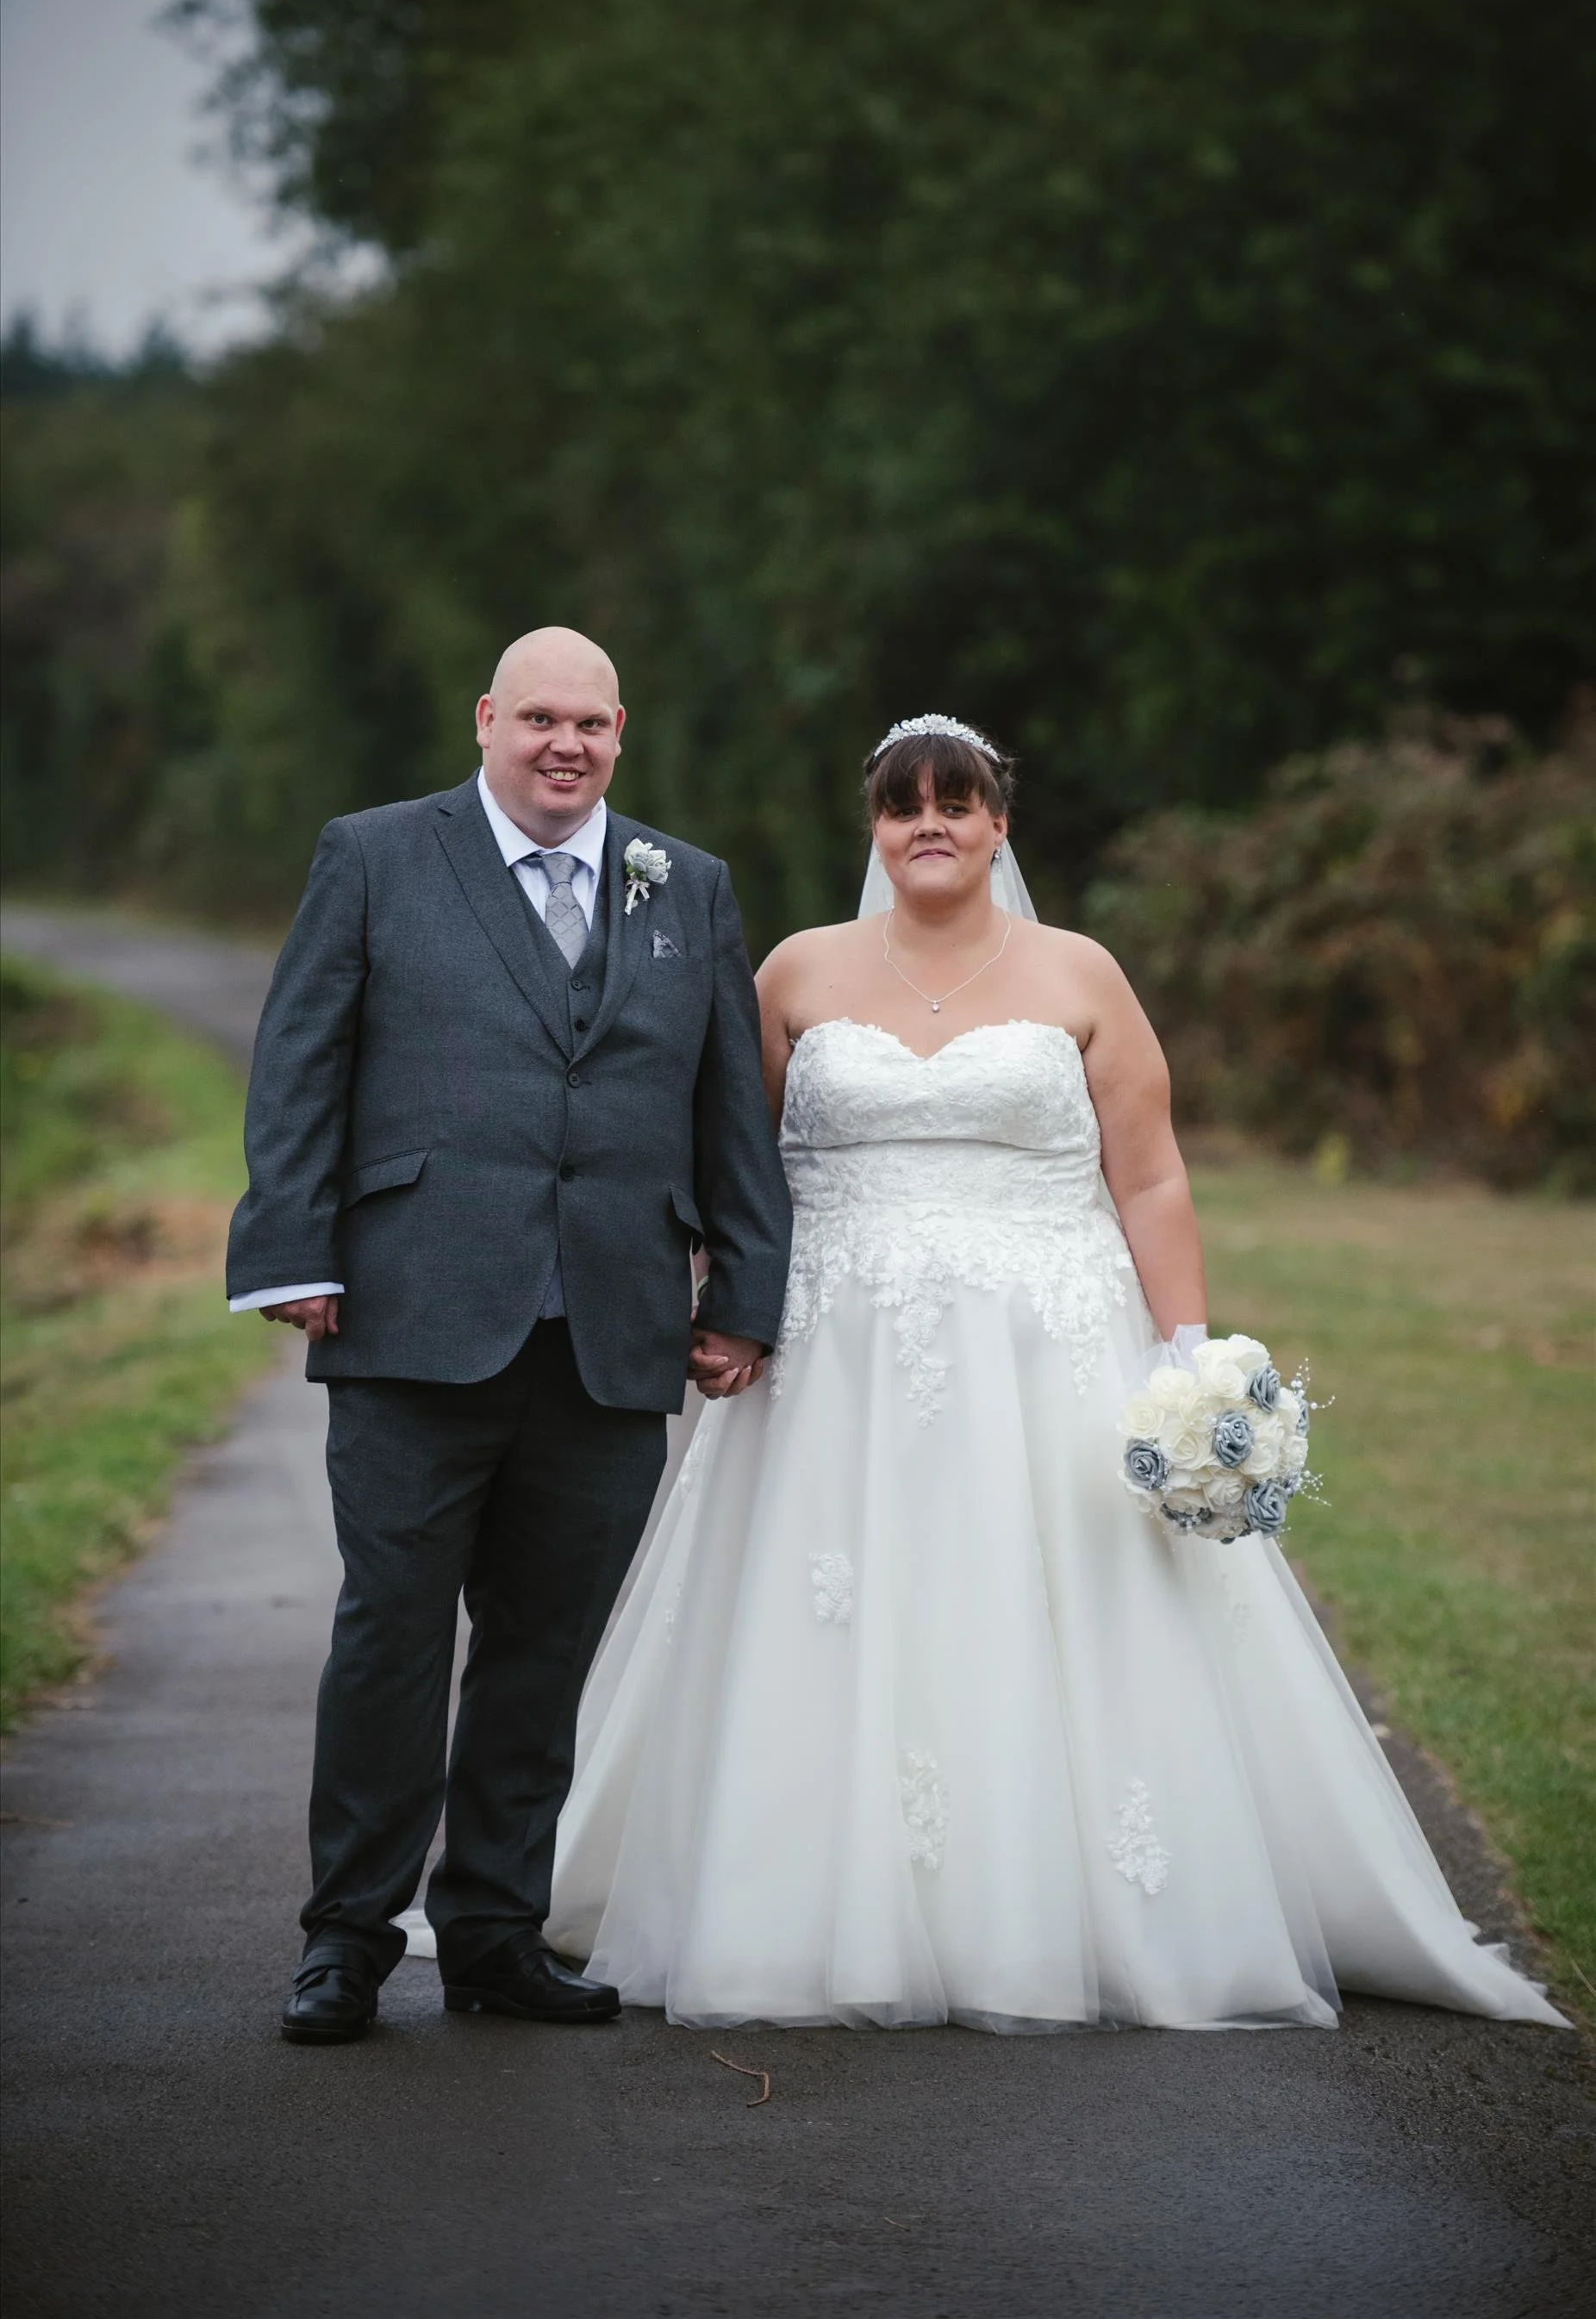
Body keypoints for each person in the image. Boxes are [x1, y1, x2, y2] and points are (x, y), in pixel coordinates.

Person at [536, 715, 1564, 2032]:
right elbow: (736, 1162)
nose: (930, 823)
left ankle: (1067, 1910)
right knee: (832, 1609)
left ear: (999, 823)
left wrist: (1188, 1356)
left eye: (956, 801)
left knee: (1051, 1601)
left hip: (1047, 1351)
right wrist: (723, 1306)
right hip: (837, 1362)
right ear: (875, 827)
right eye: (903, 803)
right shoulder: (797, 967)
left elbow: (1151, 1172)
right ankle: (802, 1904)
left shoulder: (1081, 972)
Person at [227, 626, 791, 2043]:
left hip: (611, 1330)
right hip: (414, 1314)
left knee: (547, 1649)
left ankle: (492, 1932)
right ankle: (347, 1938)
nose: (565, 745)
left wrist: (741, 1297)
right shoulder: (374, 855)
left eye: (590, 724)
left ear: (620, 734)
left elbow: (730, 1106)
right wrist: (291, 1247)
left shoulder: (686, 884)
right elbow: (300, 1060)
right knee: (392, 1636)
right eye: (540, 718)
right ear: (487, 720)